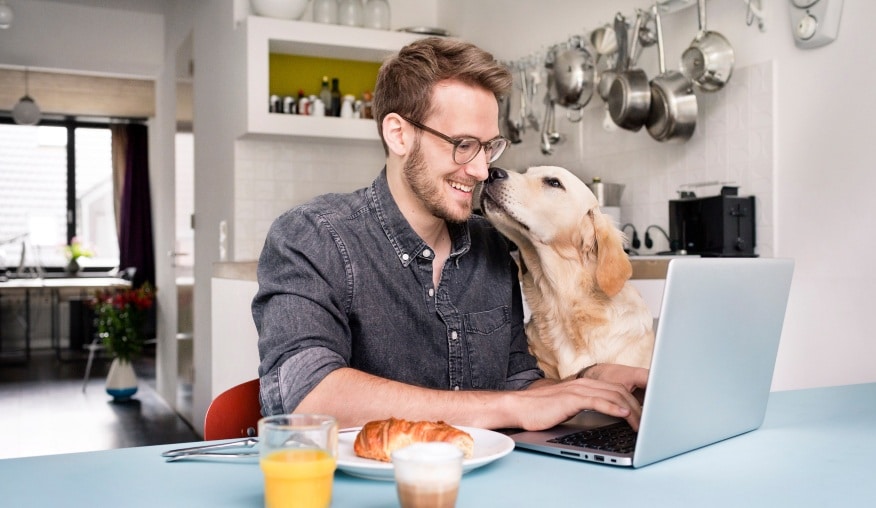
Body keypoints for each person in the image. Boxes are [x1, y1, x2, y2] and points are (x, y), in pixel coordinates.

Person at [252, 37, 647, 431]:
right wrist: (506, 408)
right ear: (399, 134)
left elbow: (517, 381)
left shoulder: (492, 246)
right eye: (463, 145)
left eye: (488, 147)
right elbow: (307, 397)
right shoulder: (311, 237)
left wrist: (586, 383)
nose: (480, 170)